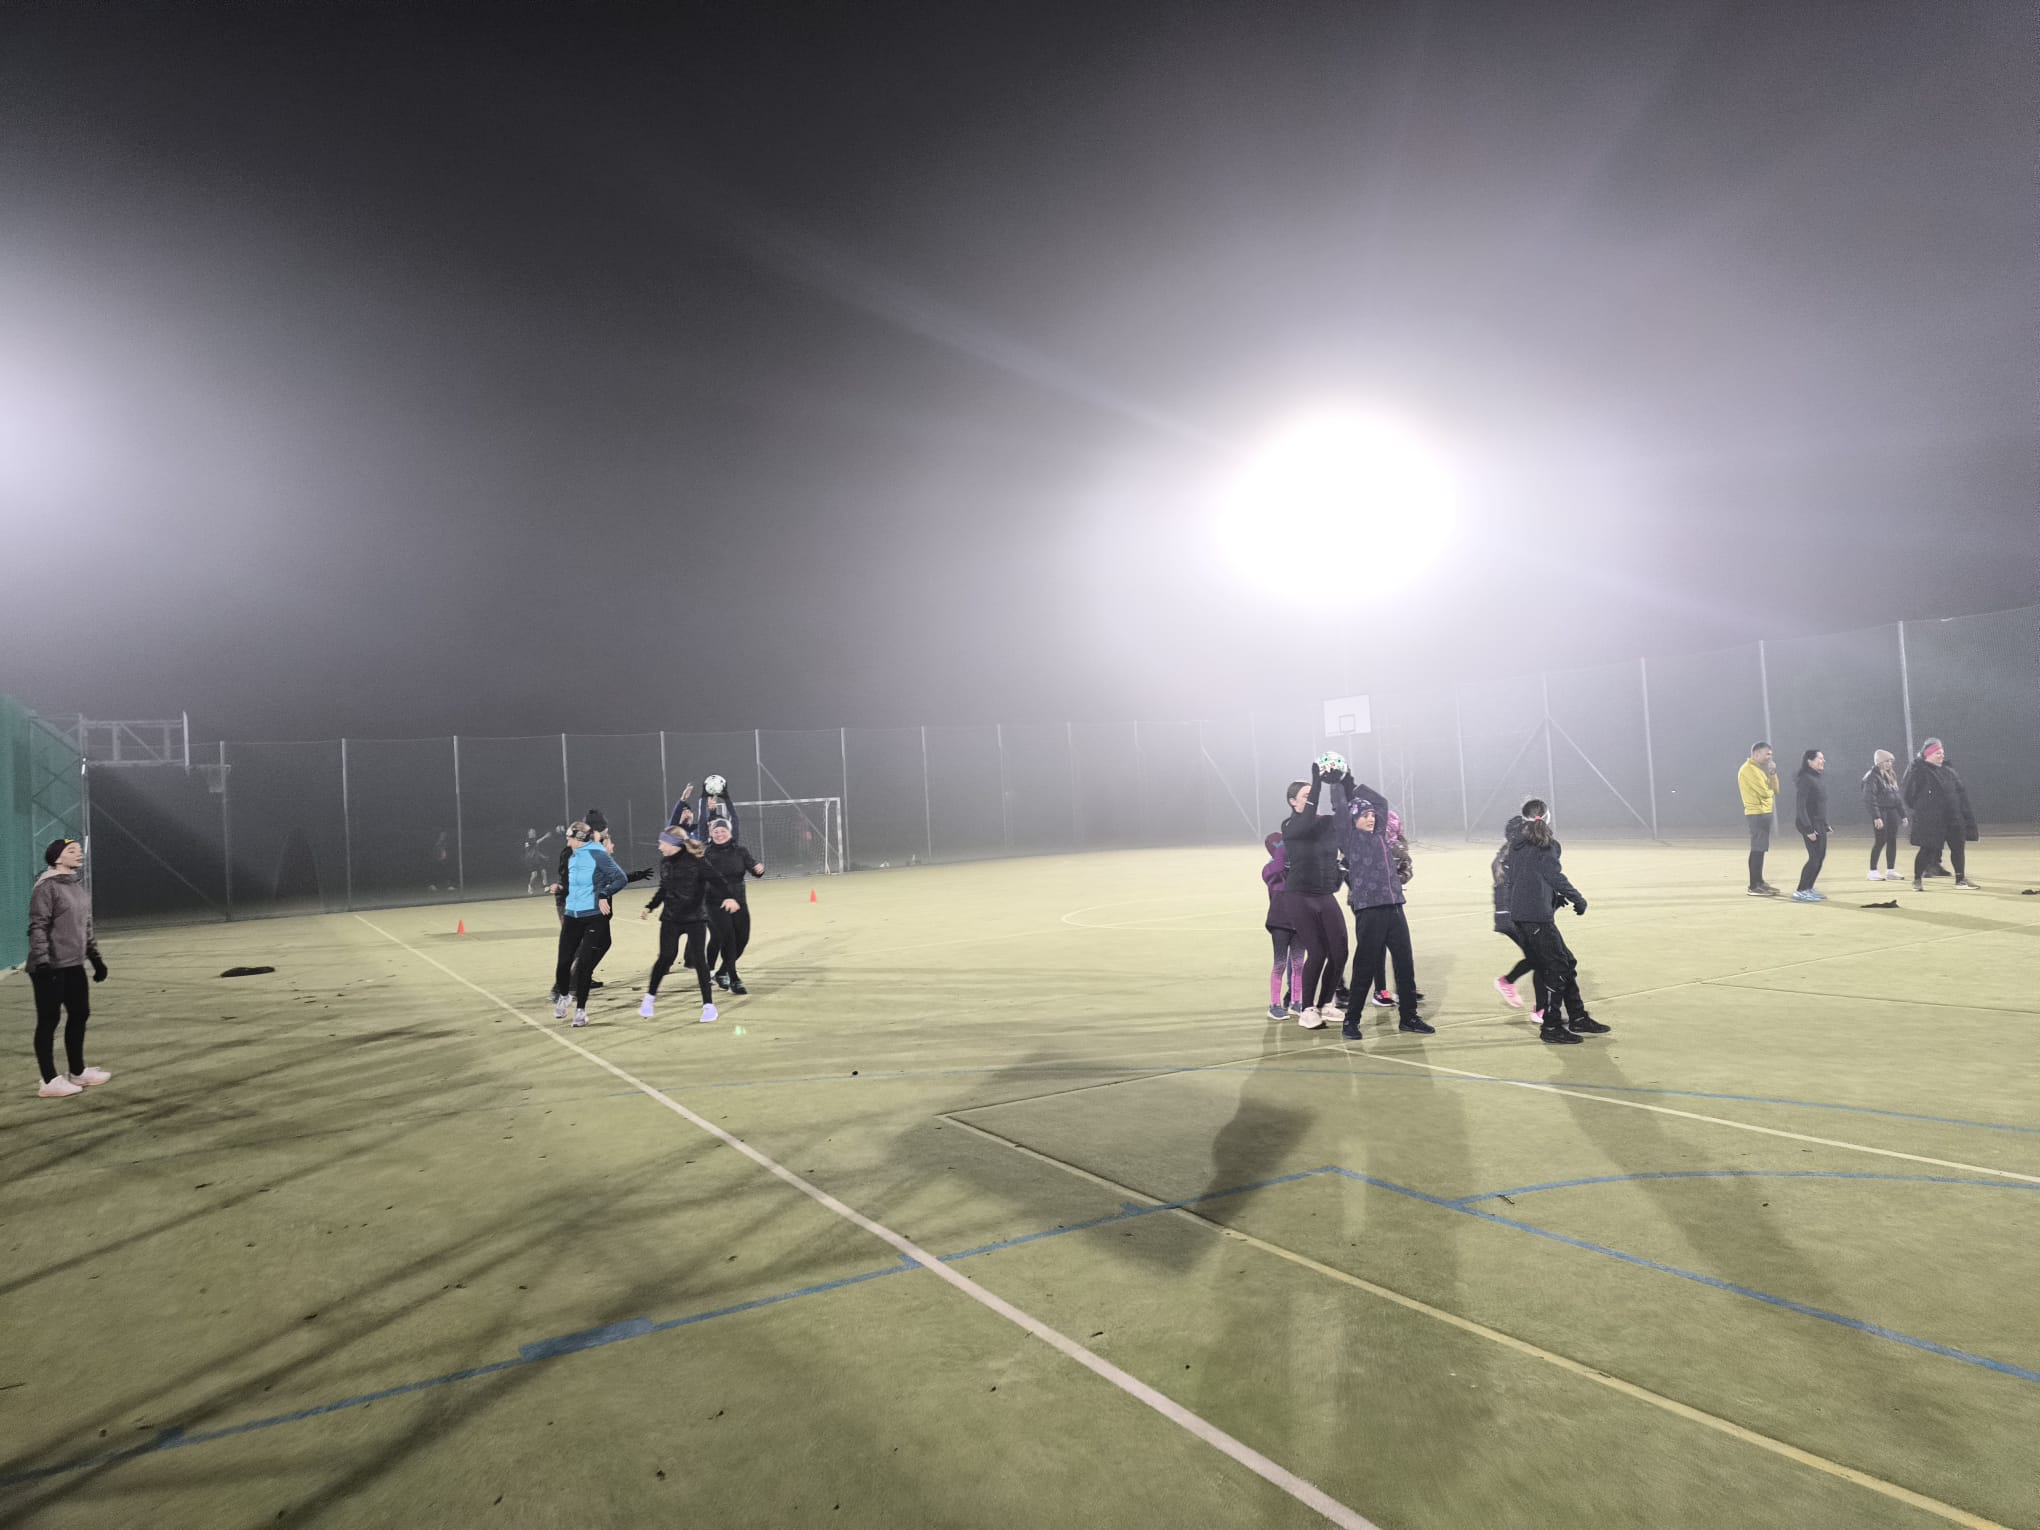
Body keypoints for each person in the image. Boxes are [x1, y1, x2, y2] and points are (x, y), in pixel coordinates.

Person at [1332, 772, 1433, 1038]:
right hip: (1370, 910)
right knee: (1365, 967)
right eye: (1364, 815)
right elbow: (1340, 812)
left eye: (1371, 815)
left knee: (1405, 964)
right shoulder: (1350, 840)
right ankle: (1351, 1021)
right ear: (1352, 820)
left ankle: (1409, 1017)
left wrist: (1351, 783)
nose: (1371, 818)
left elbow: (1381, 803)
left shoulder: (1378, 834)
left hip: (1394, 906)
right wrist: (1338, 785)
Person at [1499, 816, 1606, 1044]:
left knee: (1566, 962)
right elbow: (1554, 876)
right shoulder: (1543, 846)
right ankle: (1551, 1025)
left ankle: (1577, 1016)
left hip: (1528, 916)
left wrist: (1551, 899)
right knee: (1556, 968)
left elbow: (1527, 880)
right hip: (1535, 919)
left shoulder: (1517, 846)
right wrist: (1577, 899)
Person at [26, 839, 112, 1098]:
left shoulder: (76, 886)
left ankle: (77, 1071)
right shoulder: (46, 887)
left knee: (80, 1013)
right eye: (71, 851)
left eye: (79, 850)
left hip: (73, 964)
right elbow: (38, 925)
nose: (79, 854)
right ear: (56, 858)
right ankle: (49, 1080)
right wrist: (42, 961)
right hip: (49, 966)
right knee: (49, 1020)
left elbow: (85, 925)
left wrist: (95, 958)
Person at [1279, 764, 1347, 1029]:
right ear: (1292, 802)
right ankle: (1307, 1009)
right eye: (1305, 796)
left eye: (1312, 795)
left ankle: (1325, 1004)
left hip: (1324, 895)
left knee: (1340, 952)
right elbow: (1307, 817)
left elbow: (1342, 814)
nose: (1310, 801)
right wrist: (1316, 782)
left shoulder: (1325, 824)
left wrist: (1337, 783)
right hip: (1299, 896)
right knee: (1317, 952)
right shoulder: (1290, 826)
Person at [639, 828, 730, 1023]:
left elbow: (717, 880)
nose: (659, 847)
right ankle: (649, 998)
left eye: (662, 843)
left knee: (699, 960)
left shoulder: (697, 862)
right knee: (666, 957)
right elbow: (664, 888)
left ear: (673, 844)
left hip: (695, 918)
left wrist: (729, 897)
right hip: (671, 918)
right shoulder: (665, 862)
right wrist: (651, 906)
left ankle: (709, 1006)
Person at [551, 822, 628, 1027]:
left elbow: (620, 878)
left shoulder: (598, 854)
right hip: (572, 915)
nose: (567, 842)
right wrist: (561, 888)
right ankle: (564, 996)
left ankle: (581, 1011)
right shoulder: (572, 856)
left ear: (579, 839)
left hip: (593, 916)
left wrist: (604, 894)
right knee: (563, 962)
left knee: (584, 964)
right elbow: (573, 885)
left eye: (570, 838)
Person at [1902, 738, 1979, 891]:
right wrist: (1923, 810)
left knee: (1958, 848)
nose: (1941, 755)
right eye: (1938, 753)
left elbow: (1960, 794)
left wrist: (1964, 815)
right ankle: (1917, 880)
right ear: (1928, 754)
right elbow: (1909, 795)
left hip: (1953, 818)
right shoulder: (1919, 771)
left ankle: (1960, 879)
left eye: (1942, 753)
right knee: (1927, 849)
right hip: (1932, 820)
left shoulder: (1949, 771)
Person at [1491, 807, 1547, 1014]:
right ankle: (1541, 1010)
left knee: (1538, 958)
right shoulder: (1518, 855)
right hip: (1515, 916)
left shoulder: (1505, 853)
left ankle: (1510, 983)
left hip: (1507, 916)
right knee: (1542, 959)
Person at [702, 818, 766, 993]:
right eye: (716, 832)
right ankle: (734, 978)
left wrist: (758, 869)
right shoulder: (706, 853)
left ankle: (722, 972)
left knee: (742, 939)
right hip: (714, 902)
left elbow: (752, 867)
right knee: (728, 938)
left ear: (729, 832)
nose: (719, 834)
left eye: (723, 831)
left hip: (739, 901)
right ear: (711, 834)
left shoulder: (740, 851)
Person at [1261, 831, 1304, 1020]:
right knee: (1279, 964)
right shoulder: (1269, 869)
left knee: (1299, 964)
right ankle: (1274, 1005)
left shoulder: (1297, 870)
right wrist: (1285, 847)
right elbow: (1278, 867)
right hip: (1279, 922)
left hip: (1299, 922)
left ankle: (1296, 1002)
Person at [1738, 742, 1781, 896]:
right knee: (1757, 849)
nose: (1770, 757)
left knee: (1761, 849)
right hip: (1756, 813)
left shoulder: (1759, 770)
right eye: (1767, 754)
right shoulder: (1748, 770)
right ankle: (1753, 886)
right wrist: (1770, 791)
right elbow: (1765, 792)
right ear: (1756, 754)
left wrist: (1772, 773)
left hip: (1764, 812)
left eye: (1771, 754)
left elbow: (1776, 789)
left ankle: (1759, 882)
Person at [1790, 749, 1830, 902]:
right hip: (1809, 824)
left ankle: (1809, 888)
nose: (1823, 761)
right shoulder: (1805, 779)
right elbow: (1801, 807)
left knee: (1820, 857)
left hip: (1818, 823)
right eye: (1820, 758)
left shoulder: (1817, 778)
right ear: (1810, 761)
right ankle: (1800, 891)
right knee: (1814, 858)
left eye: (1823, 758)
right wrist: (1808, 829)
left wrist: (1824, 823)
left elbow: (1818, 804)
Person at [1859, 751, 1904, 881]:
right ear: (1879, 762)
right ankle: (1872, 871)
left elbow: (1896, 797)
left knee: (1892, 840)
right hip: (1881, 812)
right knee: (1880, 840)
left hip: (1891, 812)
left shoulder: (1891, 775)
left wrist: (1902, 814)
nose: (1889, 764)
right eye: (1886, 761)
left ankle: (1891, 871)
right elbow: (1869, 798)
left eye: (1890, 761)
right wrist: (1876, 817)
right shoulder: (1871, 777)